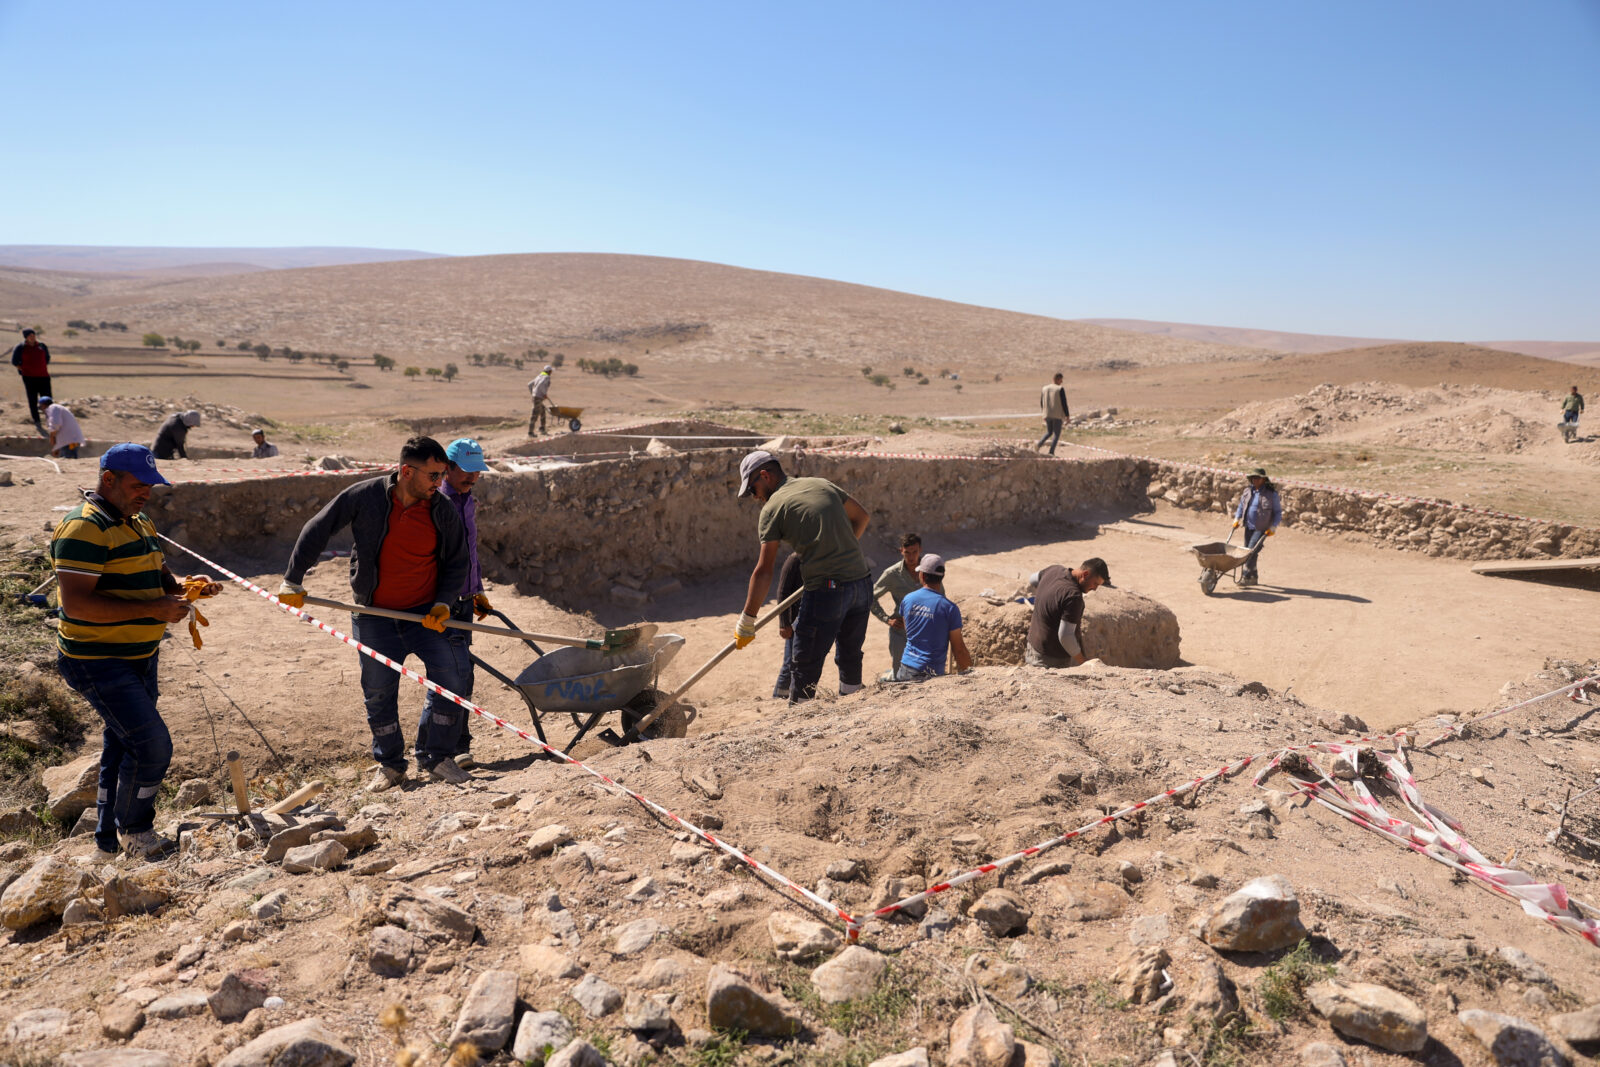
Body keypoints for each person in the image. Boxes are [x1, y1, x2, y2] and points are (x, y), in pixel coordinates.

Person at [51, 444, 220, 860]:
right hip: (97, 660)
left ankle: (108, 844)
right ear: (107, 480)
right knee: (151, 747)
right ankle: (137, 832)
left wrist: (186, 587)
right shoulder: (83, 530)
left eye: (150, 486)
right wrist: (153, 609)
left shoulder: (138, 520)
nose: (146, 493)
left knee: (122, 745)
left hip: (139, 656)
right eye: (138, 485)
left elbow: (161, 580)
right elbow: (77, 605)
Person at [277, 436, 472, 790]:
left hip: (426, 616)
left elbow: (459, 562)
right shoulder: (364, 496)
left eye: (442, 475)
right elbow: (317, 528)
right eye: (433, 475)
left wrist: (444, 601)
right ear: (406, 471)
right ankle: (391, 765)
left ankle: (436, 757)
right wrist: (292, 579)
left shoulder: (441, 509)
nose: (439, 483)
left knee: (452, 681)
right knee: (379, 692)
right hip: (373, 616)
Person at [735, 450, 871, 703]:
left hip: (827, 590)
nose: (755, 498)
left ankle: (799, 719)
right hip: (862, 582)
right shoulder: (821, 484)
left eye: (753, 490)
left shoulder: (773, 508)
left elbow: (764, 570)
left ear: (764, 475)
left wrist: (747, 619)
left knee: (805, 665)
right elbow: (862, 516)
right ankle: (853, 709)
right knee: (851, 656)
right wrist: (840, 551)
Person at [439, 437, 493, 769]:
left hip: (464, 601)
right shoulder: (437, 503)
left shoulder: (467, 500)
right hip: (442, 605)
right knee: (450, 676)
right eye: (466, 471)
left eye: (477, 472)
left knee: (465, 674)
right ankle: (443, 750)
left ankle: (459, 744)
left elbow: (470, 554)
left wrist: (478, 591)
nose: (472, 478)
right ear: (448, 467)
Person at [895, 554, 972, 682]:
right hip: (931, 673)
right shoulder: (949, 608)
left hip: (905, 668)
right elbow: (959, 650)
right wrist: (972, 676)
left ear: (922, 575)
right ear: (942, 576)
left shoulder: (908, 599)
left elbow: (909, 630)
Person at [1026, 558, 1111, 668]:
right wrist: (1083, 662)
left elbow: (1032, 579)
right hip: (1049, 660)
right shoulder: (1073, 597)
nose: (1095, 589)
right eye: (1095, 583)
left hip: (1032, 648)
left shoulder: (1054, 570)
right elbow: (1066, 636)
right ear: (1085, 574)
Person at [870, 533, 923, 679]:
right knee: (901, 677)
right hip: (901, 634)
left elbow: (939, 596)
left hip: (925, 632)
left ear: (920, 550)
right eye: (907, 553)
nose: (911, 557)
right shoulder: (892, 574)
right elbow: (871, 597)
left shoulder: (927, 570)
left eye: (915, 552)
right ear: (901, 551)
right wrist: (887, 619)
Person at [1232, 467, 1282, 586]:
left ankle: (1246, 576)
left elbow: (1278, 512)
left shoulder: (1271, 494)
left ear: (1263, 479)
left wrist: (1274, 526)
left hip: (1261, 528)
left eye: (1257, 478)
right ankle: (1254, 575)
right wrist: (1237, 518)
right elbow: (1241, 506)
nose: (1255, 480)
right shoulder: (1248, 491)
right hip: (1248, 526)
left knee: (1250, 551)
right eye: (1253, 478)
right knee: (1249, 550)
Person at [772, 551, 804, 699]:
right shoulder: (794, 560)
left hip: (811, 618)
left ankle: (795, 695)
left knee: (803, 662)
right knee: (790, 663)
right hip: (794, 623)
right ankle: (779, 697)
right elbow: (782, 592)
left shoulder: (818, 556)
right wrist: (784, 623)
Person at [12, 328, 51, 436]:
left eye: (33, 335)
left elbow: (47, 358)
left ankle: (50, 419)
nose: (32, 337)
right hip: (29, 378)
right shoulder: (20, 347)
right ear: (26, 337)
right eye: (30, 335)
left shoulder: (42, 346)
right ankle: (37, 421)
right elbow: (14, 361)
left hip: (43, 376)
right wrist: (24, 370)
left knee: (47, 399)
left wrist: (40, 367)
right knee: (32, 399)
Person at [1036, 372, 1070, 456]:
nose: (1061, 382)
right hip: (1057, 415)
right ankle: (1051, 452)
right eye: (1061, 380)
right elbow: (1064, 403)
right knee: (1056, 434)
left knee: (1049, 432)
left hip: (1047, 414)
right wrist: (1067, 415)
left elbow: (1041, 402)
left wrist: (1044, 413)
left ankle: (1038, 445)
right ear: (1057, 379)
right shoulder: (1060, 389)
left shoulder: (1044, 388)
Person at [528, 365, 554, 435]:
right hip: (538, 398)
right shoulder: (546, 377)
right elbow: (541, 385)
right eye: (551, 371)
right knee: (535, 414)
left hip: (536, 397)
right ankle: (530, 432)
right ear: (550, 371)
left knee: (542, 411)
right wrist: (544, 394)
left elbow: (529, 384)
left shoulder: (539, 376)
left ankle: (542, 428)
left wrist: (533, 393)